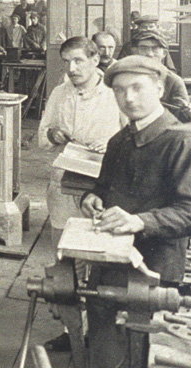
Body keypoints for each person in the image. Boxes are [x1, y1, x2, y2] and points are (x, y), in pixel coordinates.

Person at [79, 55, 191, 368]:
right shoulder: (120, 141)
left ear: (159, 88)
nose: (128, 98)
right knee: (107, 356)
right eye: (120, 90)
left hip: (153, 273)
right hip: (109, 265)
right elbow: (103, 190)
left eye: (137, 88)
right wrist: (92, 199)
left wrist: (140, 221)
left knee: (144, 367)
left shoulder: (183, 143)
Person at [38, 37, 127, 231]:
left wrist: (113, 144)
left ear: (95, 60)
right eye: (66, 61)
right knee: (62, 236)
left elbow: (135, 137)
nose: (71, 68)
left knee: (97, 240)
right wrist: (53, 136)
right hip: (64, 181)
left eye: (78, 61)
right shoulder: (59, 93)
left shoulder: (115, 93)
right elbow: (42, 137)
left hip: (102, 181)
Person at [128, 31, 191, 121]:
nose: (149, 54)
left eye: (155, 49)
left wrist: (189, 111)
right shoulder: (127, 77)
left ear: (164, 53)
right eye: (143, 48)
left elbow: (180, 118)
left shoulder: (173, 81)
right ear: (136, 52)